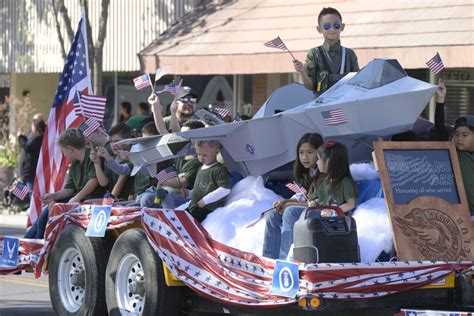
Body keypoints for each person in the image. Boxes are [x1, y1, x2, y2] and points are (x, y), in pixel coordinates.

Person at [24, 129, 104, 239]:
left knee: (47, 214)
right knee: (44, 215)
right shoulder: (74, 165)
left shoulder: (91, 156)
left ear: (70, 149)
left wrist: (77, 197)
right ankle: (31, 242)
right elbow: (69, 189)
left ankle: (39, 242)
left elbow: (94, 181)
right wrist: (54, 195)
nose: (64, 155)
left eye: (63, 151)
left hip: (92, 198)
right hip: (77, 199)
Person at [262, 133, 324, 260]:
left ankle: (287, 260)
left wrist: (290, 204)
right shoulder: (307, 172)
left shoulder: (324, 171)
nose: (304, 157)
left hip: (322, 211)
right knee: (274, 213)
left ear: (319, 152)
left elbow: (318, 201)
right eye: (301, 152)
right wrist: (285, 201)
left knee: (290, 212)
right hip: (308, 207)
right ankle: (269, 259)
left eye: (309, 152)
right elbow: (303, 195)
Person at [293, 7, 359, 97]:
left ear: (342, 27)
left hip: (344, 104)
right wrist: (302, 72)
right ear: (319, 29)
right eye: (327, 26)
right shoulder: (314, 54)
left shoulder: (349, 54)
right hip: (320, 106)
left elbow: (357, 83)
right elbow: (309, 86)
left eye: (336, 25)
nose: (332, 29)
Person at [309, 141, 357, 215]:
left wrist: (332, 211)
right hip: (320, 213)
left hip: (333, 218)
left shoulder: (344, 182)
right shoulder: (321, 180)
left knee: (291, 211)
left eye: (319, 159)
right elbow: (316, 199)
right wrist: (314, 202)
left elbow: (350, 204)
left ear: (330, 161)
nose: (317, 162)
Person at [188, 140, 230, 222]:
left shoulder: (218, 170)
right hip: (194, 206)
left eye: (205, 155)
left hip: (207, 208)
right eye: (198, 154)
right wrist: (188, 193)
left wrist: (205, 201)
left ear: (216, 152)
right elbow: (201, 188)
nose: (201, 157)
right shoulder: (201, 168)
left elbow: (225, 189)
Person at [452, 115, 474, 215]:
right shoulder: (453, 153)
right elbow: (440, 129)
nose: (459, 138)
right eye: (456, 134)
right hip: (465, 213)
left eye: (465, 135)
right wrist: (440, 103)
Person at [19, 118, 46, 193]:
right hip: (27, 170)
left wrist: (21, 137)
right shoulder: (35, 136)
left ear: (35, 127)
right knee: (25, 190)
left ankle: (31, 204)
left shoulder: (39, 138)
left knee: (31, 191)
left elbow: (28, 147)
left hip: (31, 170)